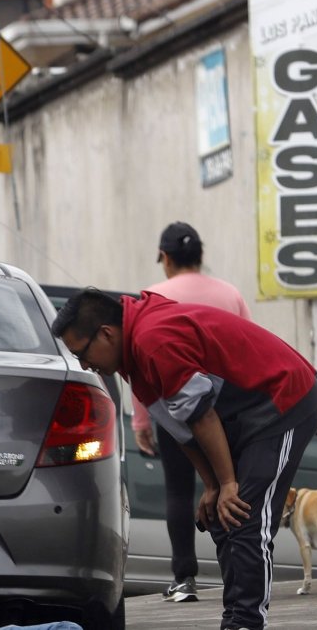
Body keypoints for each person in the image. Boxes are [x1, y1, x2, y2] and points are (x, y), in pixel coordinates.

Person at [51, 289, 317, 630]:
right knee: (222, 518)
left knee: (244, 514)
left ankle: (246, 622)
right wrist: (211, 485)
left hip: (283, 401)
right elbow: (180, 426)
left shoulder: (154, 340)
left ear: (106, 333)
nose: (84, 365)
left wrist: (227, 483)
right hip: (244, 415)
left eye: (82, 353)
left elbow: (202, 417)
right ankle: (235, 618)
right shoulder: (132, 357)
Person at [131, 221, 252, 604]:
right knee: (234, 486)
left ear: (165, 258)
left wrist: (142, 419)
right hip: (228, 408)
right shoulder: (230, 294)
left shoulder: (152, 296)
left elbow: (141, 360)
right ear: (200, 254)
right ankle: (242, 573)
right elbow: (249, 348)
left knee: (179, 492)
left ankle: (184, 578)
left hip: (175, 408)